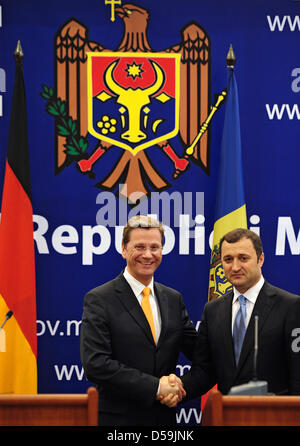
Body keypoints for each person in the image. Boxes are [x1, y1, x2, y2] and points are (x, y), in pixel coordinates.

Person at [159, 228, 300, 408]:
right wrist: (178, 389)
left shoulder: (290, 306)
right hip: (226, 415)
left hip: (274, 416)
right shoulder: (213, 310)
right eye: (228, 259)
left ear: (261, 259)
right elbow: (205, 370)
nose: (234, 267)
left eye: (243, 258)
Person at [80, 215, 197, 426]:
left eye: (155, 247)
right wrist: (156, 387)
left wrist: (178, 388)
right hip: (117, 422)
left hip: (164, 422)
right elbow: (95, 364)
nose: (148, 254)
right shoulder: (99, 299)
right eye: (139, 247)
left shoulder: (173, 299)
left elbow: (201, 353)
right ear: (124, 249)